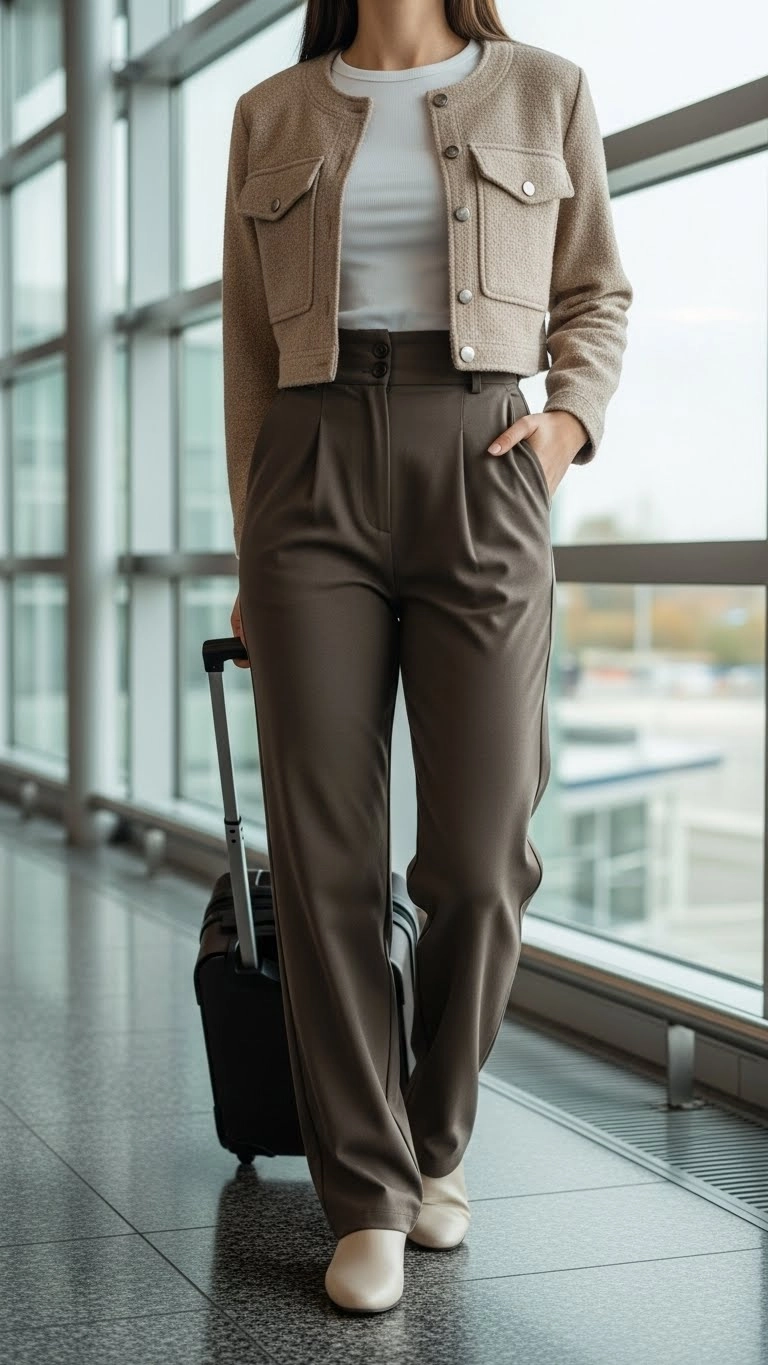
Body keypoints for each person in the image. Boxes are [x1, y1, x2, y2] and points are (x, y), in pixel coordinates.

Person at [223, 0, 632, 1316]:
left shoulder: (545, 87)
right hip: (310, 471)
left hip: (484, 458)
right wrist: (250, 540)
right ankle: (367, 1193)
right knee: (325, 856)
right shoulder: (270, 113)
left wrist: (568, 425)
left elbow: (595, 291)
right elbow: (243, 345)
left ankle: (433, 1141)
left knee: (481, 850)